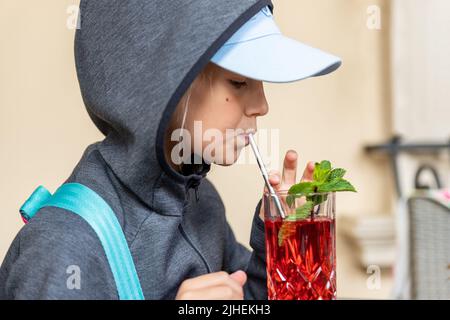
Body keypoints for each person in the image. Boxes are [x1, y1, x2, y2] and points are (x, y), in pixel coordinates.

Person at [0, 1, 341, 299]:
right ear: (165, 85)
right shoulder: (62, 249)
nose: (261, 105)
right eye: (238, 82)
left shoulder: (202, 202)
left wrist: (275, 248)